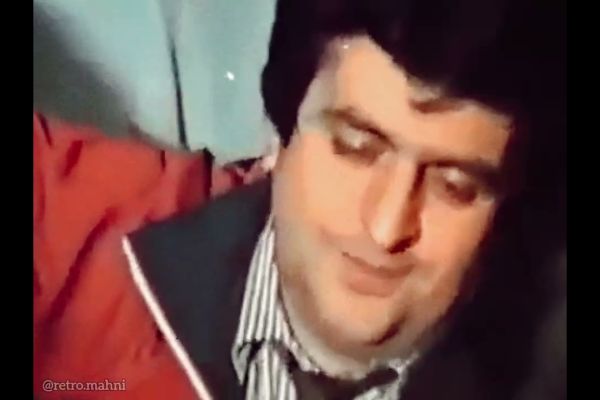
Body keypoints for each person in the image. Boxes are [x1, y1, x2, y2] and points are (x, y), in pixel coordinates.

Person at [33, 0, 566, 399]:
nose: (386, 228)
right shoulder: (82, 228)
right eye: (356, 148)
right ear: (277, 137)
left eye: (454, 186)